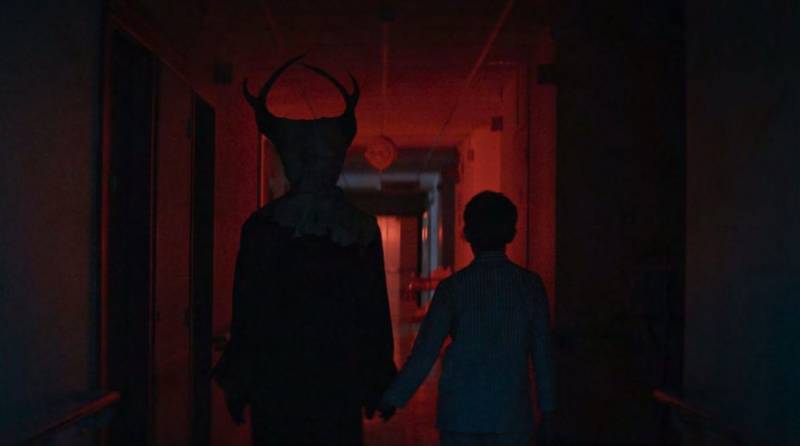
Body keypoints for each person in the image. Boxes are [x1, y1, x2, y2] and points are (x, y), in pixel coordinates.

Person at [212, 54, 396, 445]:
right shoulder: (359, 228)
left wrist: (240, 380)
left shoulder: (262, 227)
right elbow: (373, 311)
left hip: (278, 378)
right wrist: (377, 379)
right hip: (336, 376)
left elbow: (248, 310)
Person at [379, 191, 556, 446]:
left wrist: (392, 398)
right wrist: (548, 410)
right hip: (511, 415)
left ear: (467, 233)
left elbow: (425, 353)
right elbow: (542, 355)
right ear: (512, 233)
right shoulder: (530, 286)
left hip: (459, 413)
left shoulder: (453, 288)